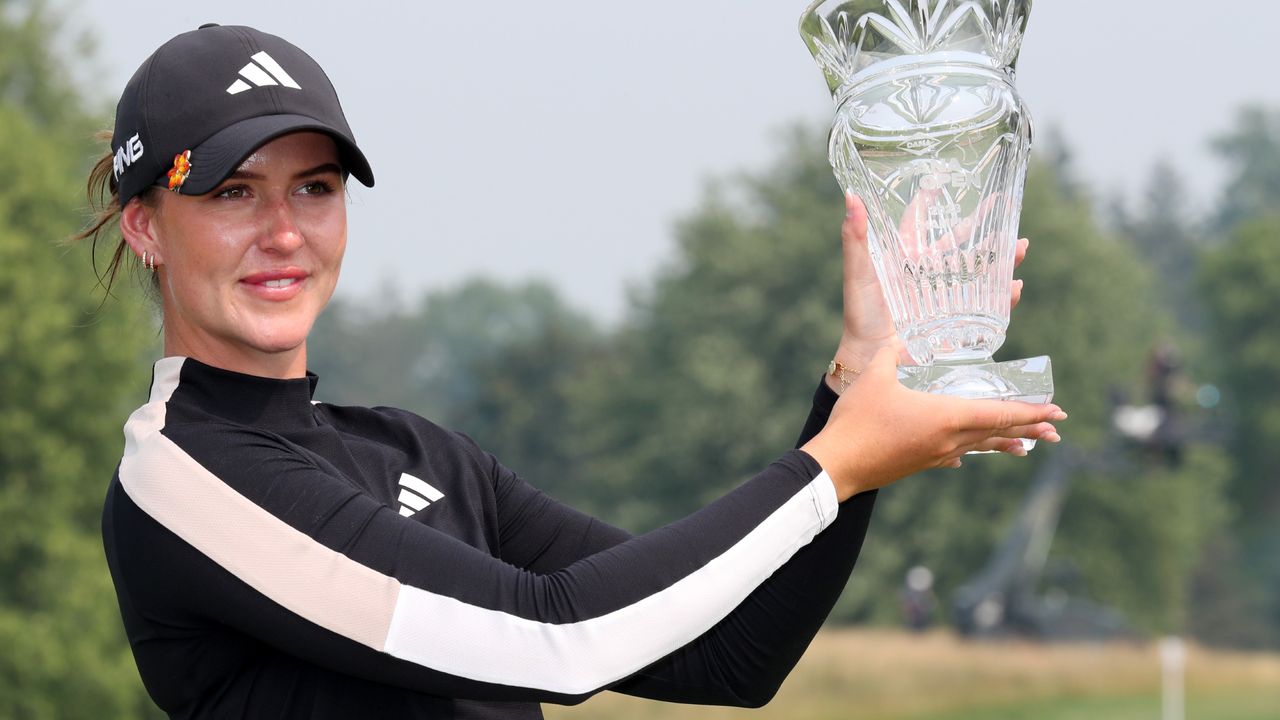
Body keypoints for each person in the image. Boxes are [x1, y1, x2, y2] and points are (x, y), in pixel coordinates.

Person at [79, 24, 1065, 720]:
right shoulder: (182, 478)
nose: (284, 232)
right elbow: (559, 639)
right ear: (145, 225)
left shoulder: (420, 453)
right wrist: (833, 467)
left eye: (315, 188)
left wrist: (853, 384)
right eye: (232, 192)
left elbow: (732, 655)